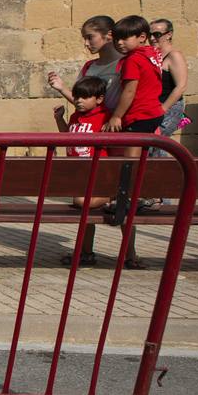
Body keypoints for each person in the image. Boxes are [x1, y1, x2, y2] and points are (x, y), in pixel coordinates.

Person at [53, 75, 110, 266]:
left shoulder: (104, 116)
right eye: (76, 97)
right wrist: (59, 119)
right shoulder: (75, 117)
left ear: (99, 99)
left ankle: (114, 197)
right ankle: (86, 252)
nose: (78, 101)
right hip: (79, 173)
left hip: (97, 171)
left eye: (84, 97)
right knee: (85, 215)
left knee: (81, 202)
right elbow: (67, 137)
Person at [104, 15, 166, 155]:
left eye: (124, 38)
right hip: (153, 111)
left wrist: (117, 116)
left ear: (142, 37)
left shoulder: (133, 60)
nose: (119, 43)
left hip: (139, 114)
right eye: (116, 39)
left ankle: (129, 177)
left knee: (131, 158)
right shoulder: (151, 53)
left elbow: (129, 91)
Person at [48, 15, 122, 112]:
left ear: (109, 35)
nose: (86, 43)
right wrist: (61, 88)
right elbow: (82, 103)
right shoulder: (89, 66)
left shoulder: (126, 62)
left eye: (90, 37)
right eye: (84, 38)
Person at [150, 18, 188, 138]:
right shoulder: (154, 56)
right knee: (152, 148)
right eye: (149, 35)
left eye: (157, 35)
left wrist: (162, 109)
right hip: (155, 108)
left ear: (169, 34)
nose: (151, 39)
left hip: (168, 106)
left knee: (155, 142)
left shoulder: (174, 55)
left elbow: (181, 86)